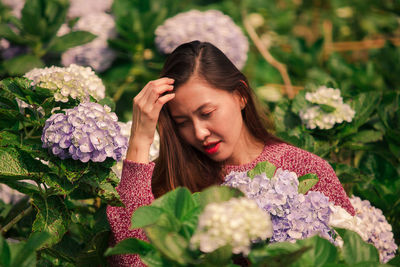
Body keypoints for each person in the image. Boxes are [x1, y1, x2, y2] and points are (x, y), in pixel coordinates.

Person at [106, 40, 355, 266]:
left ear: (241, 95)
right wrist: (139, 142)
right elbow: (132, 262)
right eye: (182, 122)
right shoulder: (169, 181)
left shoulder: (305, 168)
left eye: (207, 113)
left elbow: (354, 252)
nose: (199, 132)